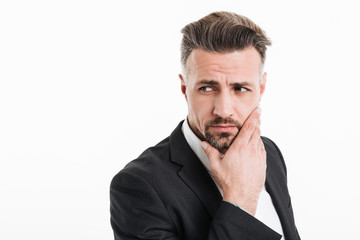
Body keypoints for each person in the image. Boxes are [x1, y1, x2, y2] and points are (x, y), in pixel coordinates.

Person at [110, 11, 300, 240]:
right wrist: (241, 198)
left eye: (240, 89)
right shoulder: (138, 186)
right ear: (184, 89)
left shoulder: (268, 152)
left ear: (261, 89)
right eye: (207, 88)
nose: (223, 110)